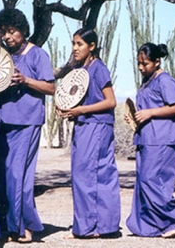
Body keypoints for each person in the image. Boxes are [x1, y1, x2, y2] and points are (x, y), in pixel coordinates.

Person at [0, 9, 55, 243]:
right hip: (3, 121)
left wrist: (26, 80)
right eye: (4, 32)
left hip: (27, 121)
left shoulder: (37, 55)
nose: (8, 36)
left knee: (18, 176)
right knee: (3, 175)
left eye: (12, 31)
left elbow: (51, 88)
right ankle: (8, 225)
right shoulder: (3, 56)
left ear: (23, 30)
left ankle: (22, 227)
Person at [57, 28, 121, 238]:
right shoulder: (81, 70)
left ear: (91, 46)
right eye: (73, 43)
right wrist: (69, 110)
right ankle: (99, 226)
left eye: (79, 44)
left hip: (97, 126)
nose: (75, 48)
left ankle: (90, 227)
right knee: (90, 175)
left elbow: (110, 101)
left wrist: (81, 110)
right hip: (85, 125)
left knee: (88, 175)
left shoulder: (98, 68)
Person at [125, 42, 175, 238]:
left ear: (157, 61)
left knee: (154, 179)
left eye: (145, 63)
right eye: (139, 63)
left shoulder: (165, 80)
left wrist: (150, 113)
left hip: (163, 138)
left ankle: (174, 219)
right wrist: (134, 117)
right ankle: (154, 224)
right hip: (147, 137)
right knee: (144, 180)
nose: (141, 67)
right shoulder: (147, 81)